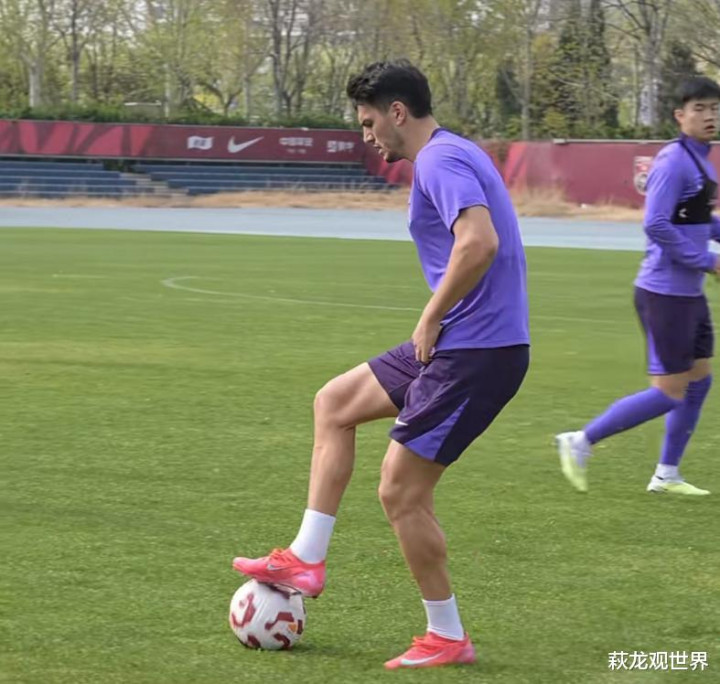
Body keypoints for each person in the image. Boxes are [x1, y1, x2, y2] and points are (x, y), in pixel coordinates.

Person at [233, 59, 530, 670]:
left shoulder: (440, 160)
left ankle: (446, 636)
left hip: (477, 351)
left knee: (401, 491)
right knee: (335, 403)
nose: (366, 135)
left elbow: (480, 242)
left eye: (369, 122)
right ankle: (307, 557)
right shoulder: (453, 152)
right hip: (460, 342)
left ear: (398, 112)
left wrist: (431, 315)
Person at [556, 76, 720, 496]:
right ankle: (581, 440)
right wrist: (708, 260)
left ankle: (667, 474)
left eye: (714, 108)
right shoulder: (673, 161)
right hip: (664, 294)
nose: (709, 116)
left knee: (699, 382)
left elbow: (695, 220)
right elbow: (656, 224)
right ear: (679, 115)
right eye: (700, 108)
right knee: (668, 393)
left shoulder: (702, 160)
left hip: (689, 295)